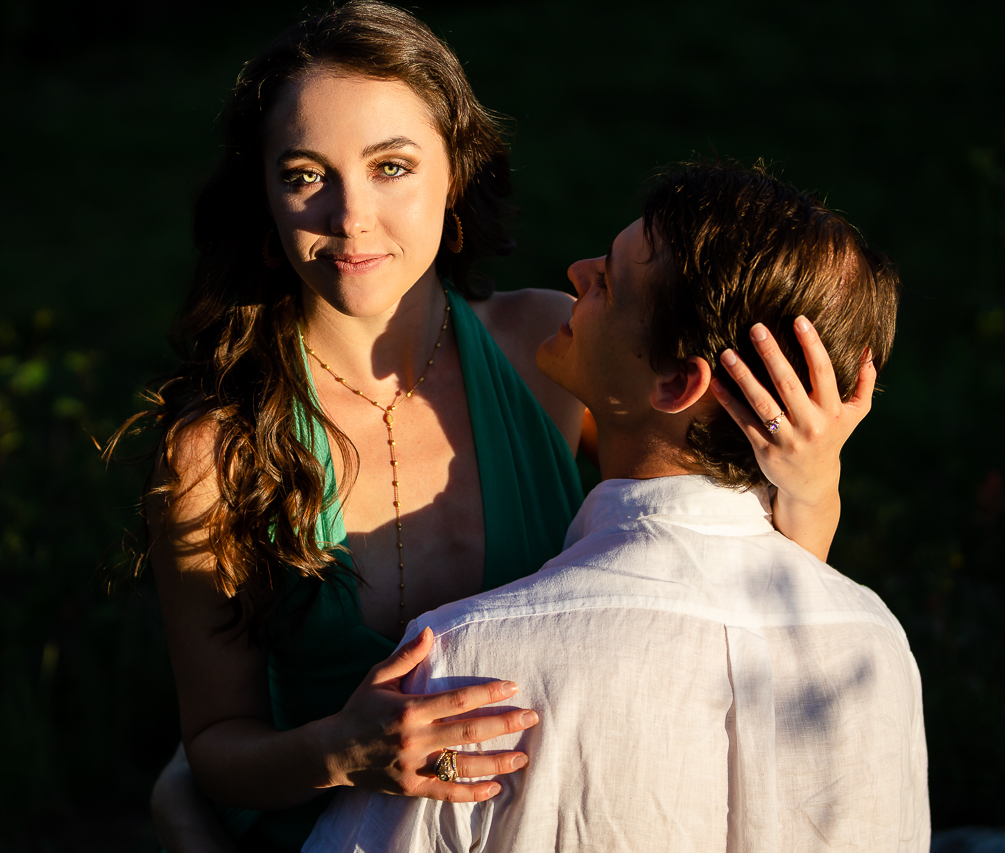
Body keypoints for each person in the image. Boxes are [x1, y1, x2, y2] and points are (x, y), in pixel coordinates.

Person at [124, 3, 872, 850]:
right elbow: (215, 750)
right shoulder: (214, 451)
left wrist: (812, 484)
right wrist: (337, 750)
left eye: (391, 166)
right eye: (305, 174)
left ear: (457, 173)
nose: (349, 216)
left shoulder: (544, 350)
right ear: (264, 196)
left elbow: (722, 592)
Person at [303, 160, 929, 852]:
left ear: (676, 382)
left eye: (608, 281)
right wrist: (814, 492)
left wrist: (187, 819)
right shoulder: (876, 645)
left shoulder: (468, 663)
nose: (575, 271)